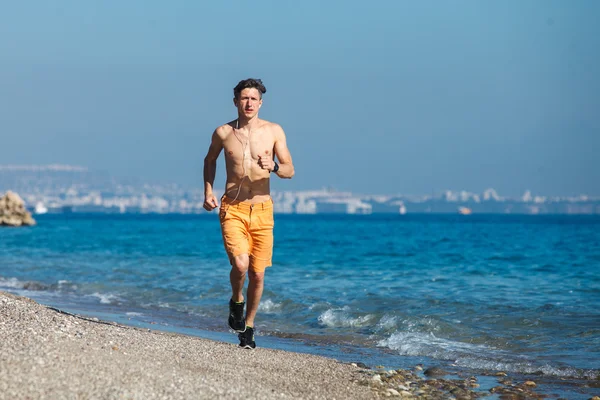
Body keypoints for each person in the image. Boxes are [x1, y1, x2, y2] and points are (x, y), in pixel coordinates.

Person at [203, 78, 295, 349]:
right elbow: (209, 161)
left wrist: (275, 166)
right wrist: (208, 190)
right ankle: (236, 301)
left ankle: (250, 327)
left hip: (263, 210)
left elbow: (290, 169)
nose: (249, 103)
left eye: (253, 99)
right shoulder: (223, 133)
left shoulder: (274, 131)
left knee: (257, 273)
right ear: (235, 102)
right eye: (244, 98)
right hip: (233, 207)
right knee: (240, 265)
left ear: (261, 103)